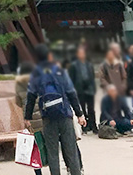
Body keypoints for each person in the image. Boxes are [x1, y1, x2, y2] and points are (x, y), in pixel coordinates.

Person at [24, 44, 85, 175]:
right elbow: (71, 93)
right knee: (71, 151)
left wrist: (27, 117)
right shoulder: (60, 71)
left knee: (52, 153)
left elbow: (30, 97)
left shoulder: (36, 74)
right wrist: (79, 114)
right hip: (65, 116)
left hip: (48, 118)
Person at [16, 62, 45, 175]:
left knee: (35, 148)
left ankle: (38, 172)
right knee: (48, 145)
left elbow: (18, 103)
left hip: (30, 122)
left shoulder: (19, 89)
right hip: (43, 120)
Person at [68, 45, 96, 132]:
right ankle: (85, 125)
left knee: (91, 108)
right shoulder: (73, 65)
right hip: (80, 89)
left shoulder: (89, 64)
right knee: (82, 108)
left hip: (89, 88)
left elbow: (92, 76)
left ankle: (93, 125)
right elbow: (71, 78)